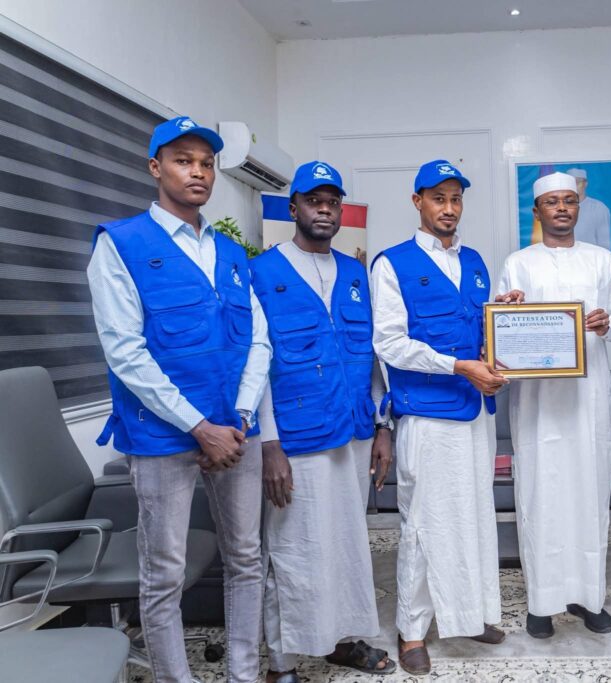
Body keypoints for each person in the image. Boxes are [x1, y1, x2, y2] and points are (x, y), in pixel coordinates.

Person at [87, 116, 270, 683]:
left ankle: (243, 674)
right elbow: (126, 353)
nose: (198, 172)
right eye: (183, 160)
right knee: (164, 574)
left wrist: (240, 416)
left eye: (207, 163)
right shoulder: (121, 245)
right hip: (162, 436)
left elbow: (257, 339)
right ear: (155, 167)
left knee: (246, 559)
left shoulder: (232, 254)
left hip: (236, 431)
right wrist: (198, 427)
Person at [250, 161, 395, 681]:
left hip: (352, 432)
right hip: (295, 439)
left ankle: (342, 641)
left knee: (346, 545)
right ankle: (282, 661)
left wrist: (383, 427)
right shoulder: (262, 272)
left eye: (333, 202)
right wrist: (268, 443)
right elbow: (255, 364)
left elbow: (371, 358)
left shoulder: (355, 273)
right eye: (314, 201)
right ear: (293, 208)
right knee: (292, 550)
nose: (325, 210)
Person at [370, 160, 507, 675]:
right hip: (427, 417)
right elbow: (389, 344)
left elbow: (480, 333)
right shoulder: (392, 264)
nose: (449, 208)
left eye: (456, 199)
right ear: (418, 202)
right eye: (438, 198)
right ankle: (411, 631)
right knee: (424, 525)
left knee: (473, 518)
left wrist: (504, 316)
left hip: (474, 414)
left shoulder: (474, 262)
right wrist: (458, 366)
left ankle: (468, 615)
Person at [493, 172, 611, 639]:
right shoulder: (518, 263)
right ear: (537, 211)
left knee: (589, 494)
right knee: (540, 494)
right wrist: (508, 309)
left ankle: (589, 598)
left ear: (579, 206)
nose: (562, 209)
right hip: (536, 403)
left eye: (569, 201)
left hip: (588, 400)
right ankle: (541, 603)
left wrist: (608, 323)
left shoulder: (602, 260)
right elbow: (498, 326)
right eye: (552, 202)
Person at [567, 168, 611, 252]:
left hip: (591, 258)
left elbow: (605, 245)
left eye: (577, 182)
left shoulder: (599, 208)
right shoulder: (560, 209)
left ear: (585, 184)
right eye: (570, 183)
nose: (574, 186)